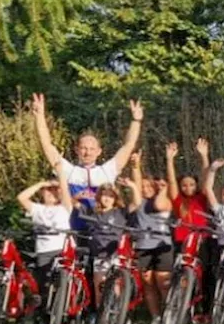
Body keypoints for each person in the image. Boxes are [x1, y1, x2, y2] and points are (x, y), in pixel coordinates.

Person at [31, 93, 143, 228]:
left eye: (91, 149)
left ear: (99, 151)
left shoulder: (106, 171)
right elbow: (47, 146)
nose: (87, 152)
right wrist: (39, 117)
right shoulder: (69, 171)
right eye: (83, 148)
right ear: (77, 150)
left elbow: (128, 145)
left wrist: (136, 121)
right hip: (73, 230)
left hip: (102, 232)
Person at [16, 173, 72, 324]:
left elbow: (66, 193)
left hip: (60, 251)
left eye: (54, 190)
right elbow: (21, 197)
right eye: (47, 191)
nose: (51, 193)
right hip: (43, 252)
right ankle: (39, 321)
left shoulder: (64, 208)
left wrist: (60, 179)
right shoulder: (37, 209)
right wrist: (41, 184)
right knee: (40, 288)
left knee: (56, 287)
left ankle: (58, 321)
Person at [130, 155, 174, 324]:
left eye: (150, 185)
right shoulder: (138, 202)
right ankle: (155, 317)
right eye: (143, 186)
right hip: (143, 246)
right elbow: (136, 178)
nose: (146, 188)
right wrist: (136, 165)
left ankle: (169, 314)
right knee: (148, 283)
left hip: (162, 246)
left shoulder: (164, 201)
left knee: (163, 282)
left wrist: (163, 189)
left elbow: (158, 205)